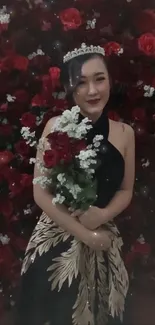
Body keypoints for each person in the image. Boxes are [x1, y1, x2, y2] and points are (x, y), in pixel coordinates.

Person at [16, 44, 135, 325]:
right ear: (70, 87)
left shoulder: (125, 133)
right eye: (81, 83)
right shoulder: (55, 127)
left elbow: (125, 190)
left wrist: (102, 216)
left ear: (110, 81)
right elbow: (40, 192)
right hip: (57, 236)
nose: (92, 91)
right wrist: (85, 234)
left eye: (99, 79)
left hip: (103, 237)